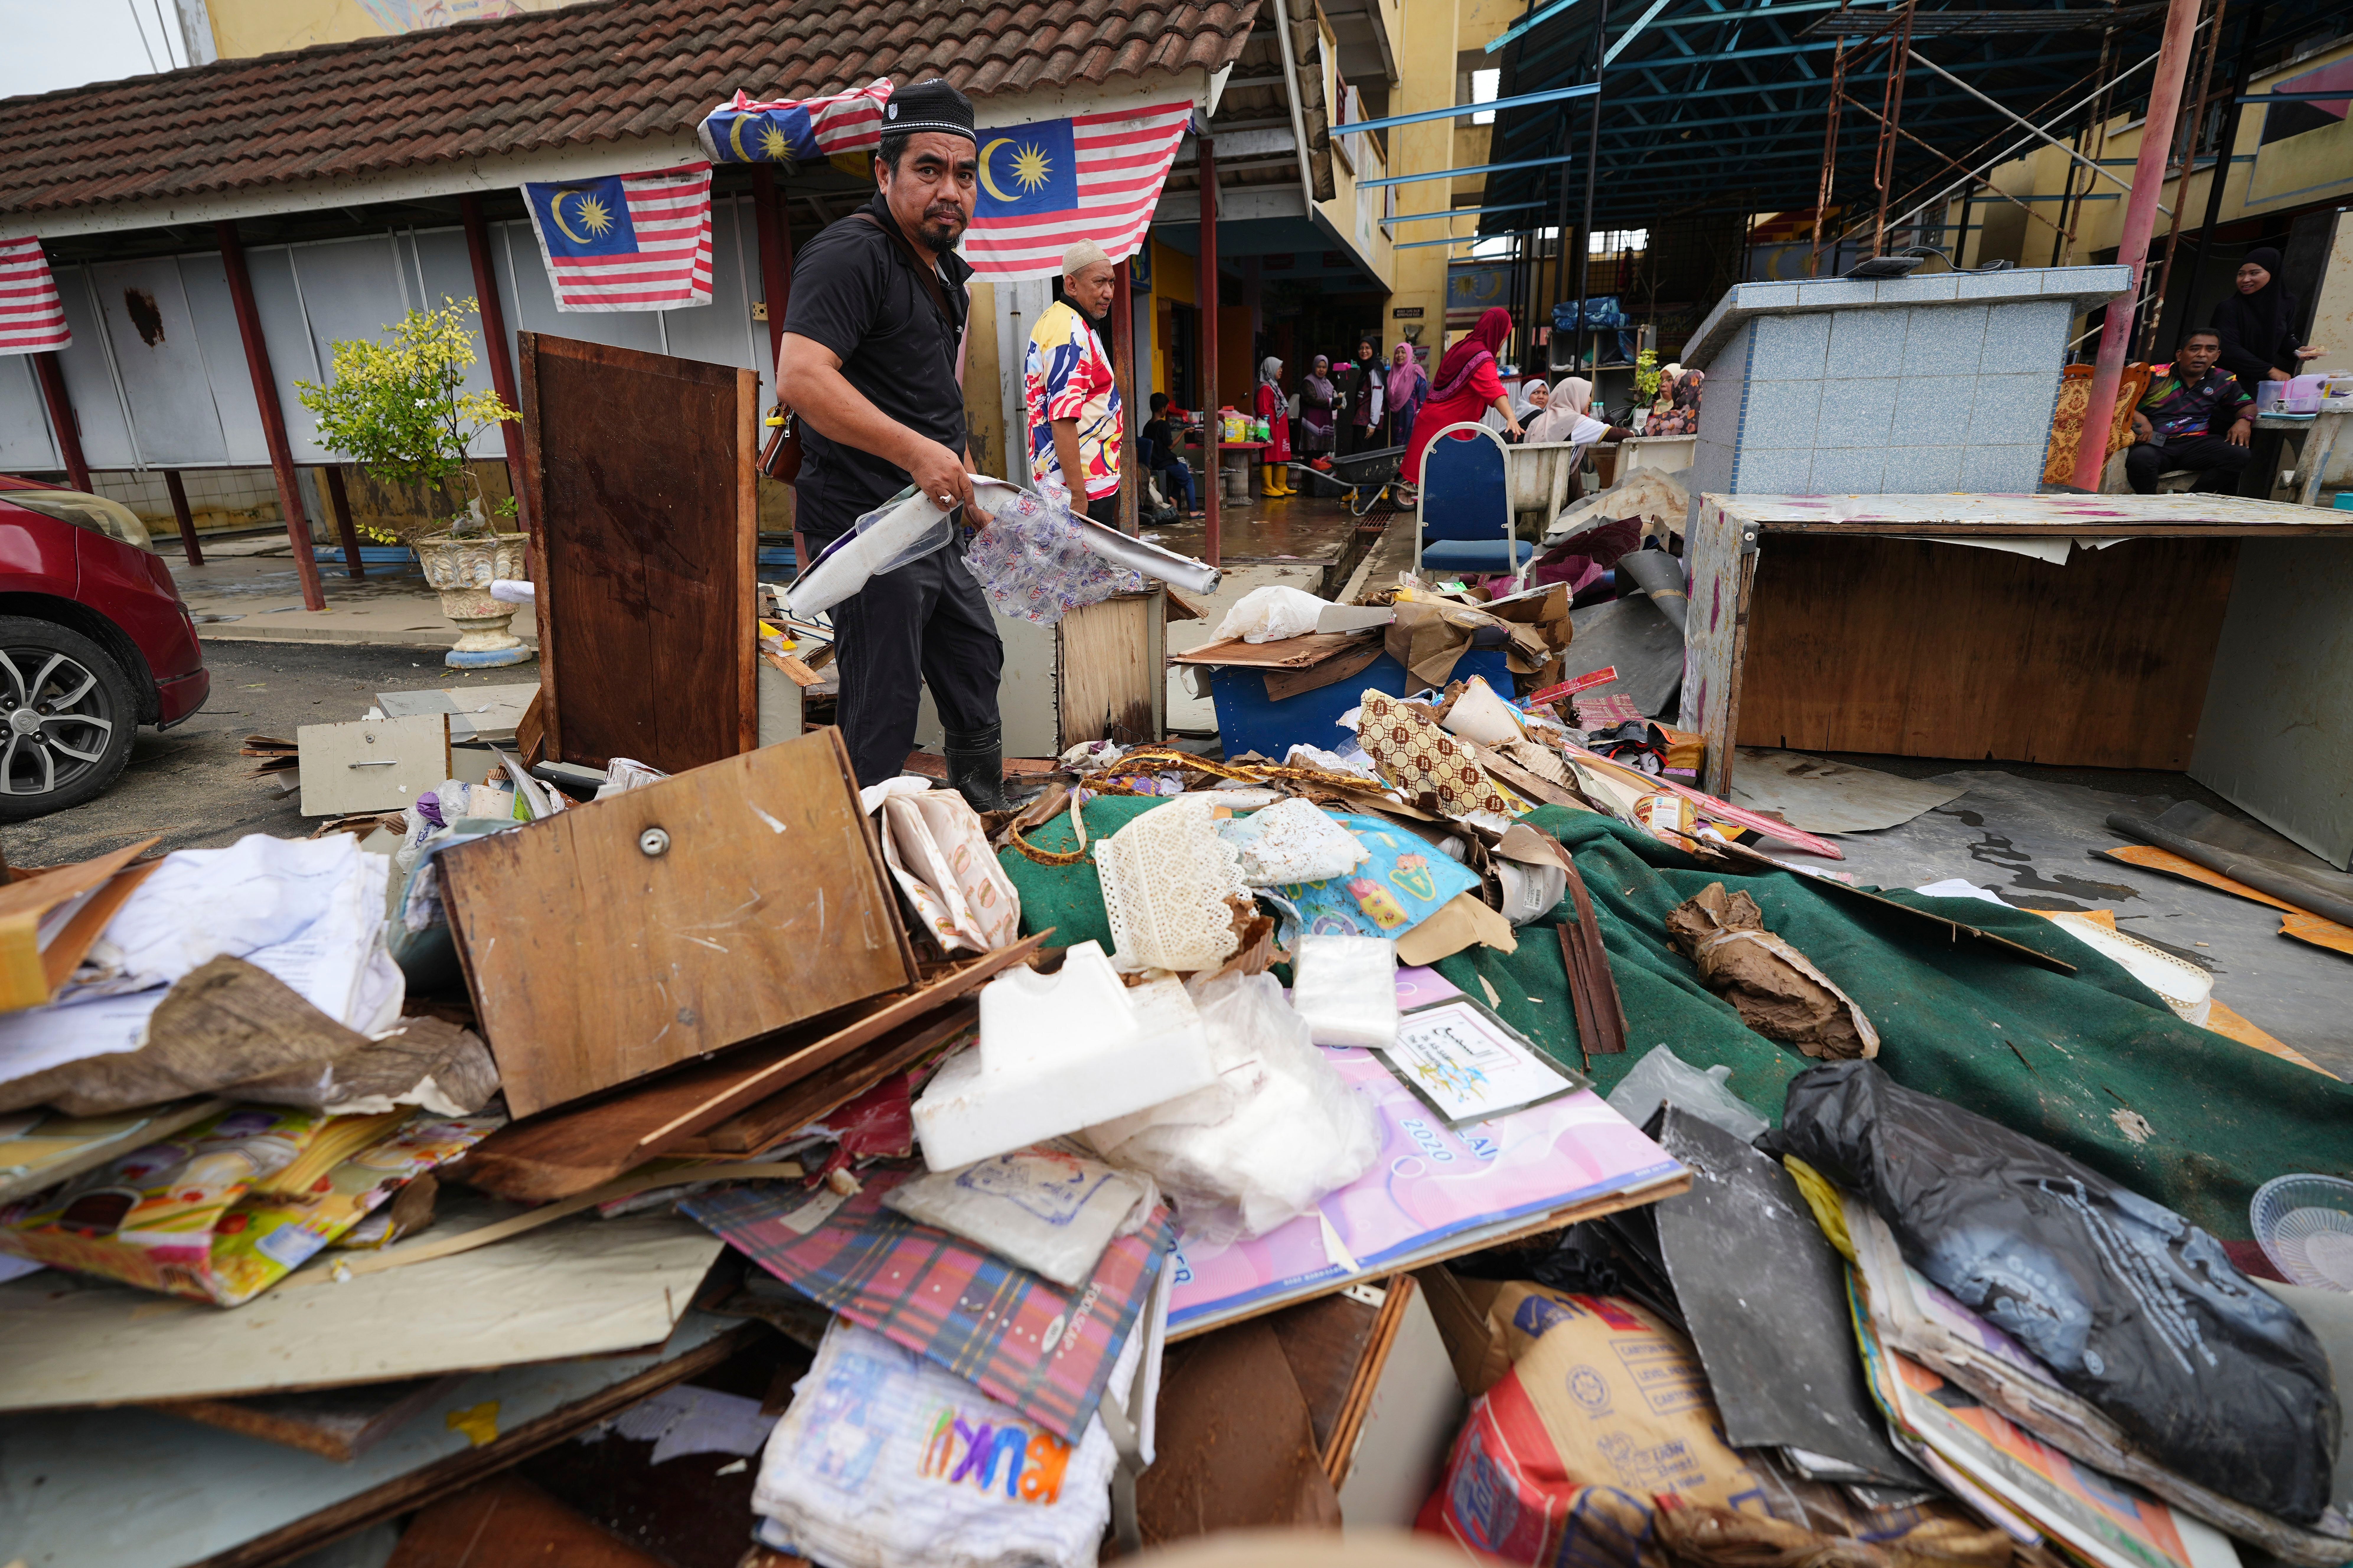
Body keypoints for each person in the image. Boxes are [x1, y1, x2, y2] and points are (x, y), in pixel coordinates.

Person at [776, 80, 1009, 810]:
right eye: (928, 170)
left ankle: (981, 805)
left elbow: (932, 408)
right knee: (883, 700)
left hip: (932, 518)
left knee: (975, 658)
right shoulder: (850, 254)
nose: (950, 190)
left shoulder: (946, 274)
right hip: (865, 525)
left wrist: (978, 499)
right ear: (885, 173)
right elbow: (802, 378)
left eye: (964, 175)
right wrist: (915, 455)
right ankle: (864, 845)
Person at [1024, 240, 1123, 525]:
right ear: (1071, 284)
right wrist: (1078, 496)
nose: (1109, 293)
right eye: (1099, 283)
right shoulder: (1068, 332)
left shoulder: (1064, 320)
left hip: (1084, 475)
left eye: (1112, 282)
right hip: (1084, 483)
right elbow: (1063, 418)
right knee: (1088, 567)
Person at [2125, 328, 2254, 495]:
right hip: (2156, 442)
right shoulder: (2154, 374)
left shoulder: (2224, 379)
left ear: (2217, 355)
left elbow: (2247, 405)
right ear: (2180, 355)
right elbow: (2117, 400)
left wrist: (2245, 420)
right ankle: (2150, 506)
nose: (2202, 355)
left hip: (2196, 445)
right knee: (2140, 459)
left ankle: (2191, 498)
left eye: (2211, 350)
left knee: (2239, 455)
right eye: (2195, 349)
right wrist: (2139, 417)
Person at [1403, 307, 1520, 489]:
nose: (1503, 341)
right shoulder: (1481, 358)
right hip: (1447, 432)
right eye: (1505, 336)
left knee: (1431, 490)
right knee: (1446, 490)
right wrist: (1511, 417)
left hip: (1432, 421)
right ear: (1498, 333)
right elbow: (1494, 388)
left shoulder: (1462, 346)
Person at [2210, 246, 2321, 401]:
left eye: (2254, 273)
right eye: (2241, 274)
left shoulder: (2286, 305)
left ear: (2273, 274)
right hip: (2229, 383)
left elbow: (2286, 338)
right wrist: (2270, 370)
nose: (2245, 279)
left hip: (2262, 385)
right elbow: (2228, 348)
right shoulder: (2229, 308)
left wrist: (2300, 350)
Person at [1141, 392, 1199, 516]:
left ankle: (1174, 497)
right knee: (1189, 480)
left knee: (1183, 468)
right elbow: (1170, 445)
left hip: (1155, 462)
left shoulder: (1147, 426)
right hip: (1166, 463)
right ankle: (1193, 511)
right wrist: (1183, 432)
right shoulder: (1163, 425)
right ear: (1162, 409)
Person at [1255, 356, 1294, 497]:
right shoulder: (1265, 388)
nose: (1281, 370)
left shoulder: (1274, 386)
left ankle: (1280, 485)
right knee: (1269, 455)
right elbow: (1263, 410)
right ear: (1270, 370)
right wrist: (1267, 432)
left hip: (1280, 428)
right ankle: (1268, 487)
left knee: (1280, 454)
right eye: (1279, 368)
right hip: (1271, 428)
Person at [1343, 336, 1383, 456]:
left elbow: (1378, 396)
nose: (1364, 351)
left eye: (1368, 348)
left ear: (1374, 349)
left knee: (1363, 456)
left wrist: (1373, 423)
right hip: (1362, 421)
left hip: (1367, 423)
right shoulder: (1367, 368)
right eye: (1361, 348)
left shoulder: (1375, 369)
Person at [1385, 340, 1426, 450]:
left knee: (1409, 448)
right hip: (1396, 417)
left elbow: (1423, 398)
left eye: (1403, 352)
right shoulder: (1392, 374)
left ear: (1409, 354)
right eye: (1397, 353)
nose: (1400, 355)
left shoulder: (1416, 371)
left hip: (1411, 418)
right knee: (1395, 449)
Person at [1298, 354, 1338, 466]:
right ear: (1314, 366)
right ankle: (1311, 480)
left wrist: (1337, 403)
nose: (1322, 370)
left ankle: (1320, 479)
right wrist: (1332, 402)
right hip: (1312, 424)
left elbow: (1331, 401)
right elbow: (1312, 399)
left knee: (1323, 455)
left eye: (1324, 367)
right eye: (1319, 367)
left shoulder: (1329, 384)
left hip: (1325, 423)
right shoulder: (1308, 382)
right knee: (1312, 455)